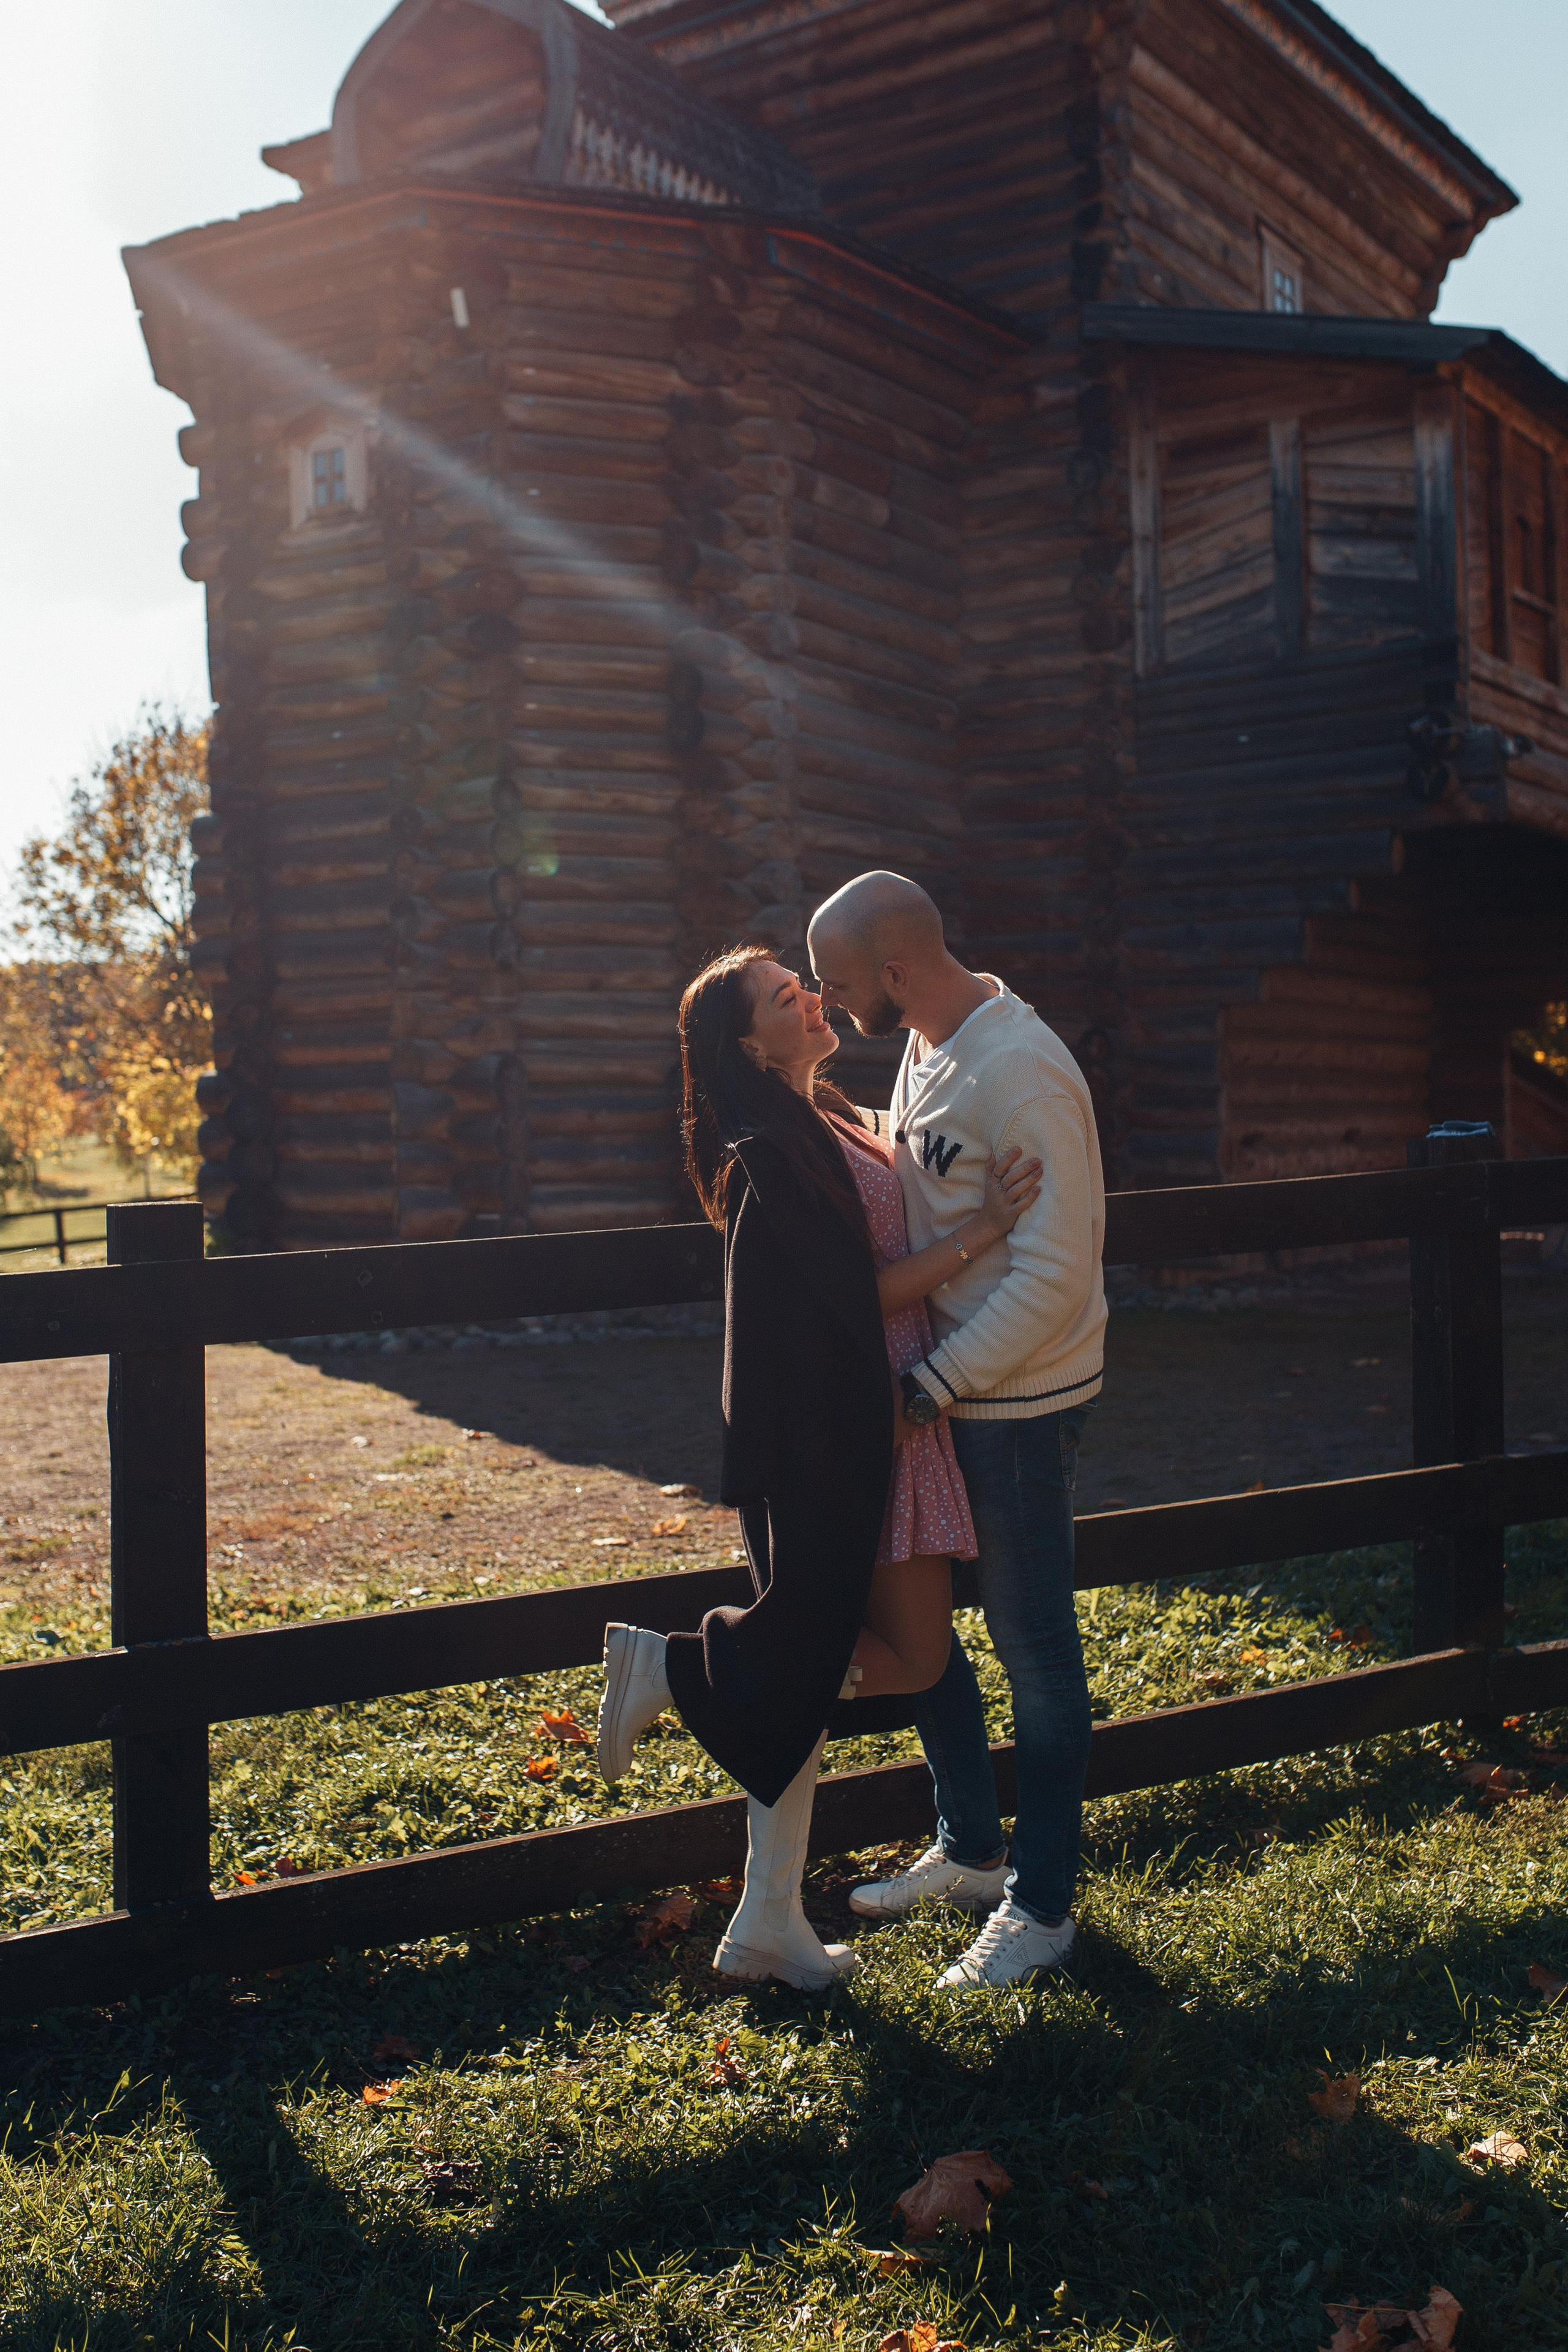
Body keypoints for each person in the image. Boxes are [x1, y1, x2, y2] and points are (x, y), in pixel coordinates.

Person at [594, 943, 1040, 1991]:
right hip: (857, 1427)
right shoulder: (772, 1151)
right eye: (787, 997)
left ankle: (766, 1917)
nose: (812, 996)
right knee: (914, 1658)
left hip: (893, 1414)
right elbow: (860, 1291)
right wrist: (989, 1229)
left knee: (831, 1656)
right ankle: (682, 1669)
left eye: (804, 984)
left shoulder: (831, 1118)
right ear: (751, 1043)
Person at [806, 871, 1107, 1990]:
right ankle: (975, 1848)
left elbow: (1058, 1281)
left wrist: (928, 1387)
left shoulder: (1023, 1074)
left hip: (1008, 1408)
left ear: (894, 973)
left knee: (1034, 1654)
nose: (831, 1007)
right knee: (923, 1622)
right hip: (940, 1393)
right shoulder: (930, 1043)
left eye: (840, 987)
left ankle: (1043, 1909)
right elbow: (926, 1167)